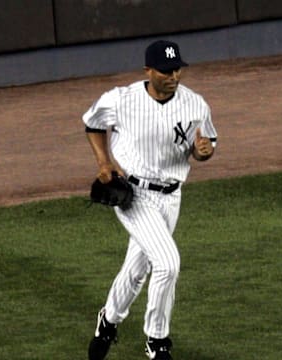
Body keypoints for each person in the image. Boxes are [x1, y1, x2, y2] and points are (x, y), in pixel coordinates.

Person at [83, 39, 217, 360]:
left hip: (172, 198)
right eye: (166, 70)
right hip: (134, 195)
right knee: (168, 264)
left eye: (177, 69)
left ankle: (109, 320)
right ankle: (157, 342)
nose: (174, 76)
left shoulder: (196, 104)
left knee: (137, 269)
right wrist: (103, 162)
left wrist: (204, 153)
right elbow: (92, 122)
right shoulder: (122, 99)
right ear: (149, 70)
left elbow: (207, 141)